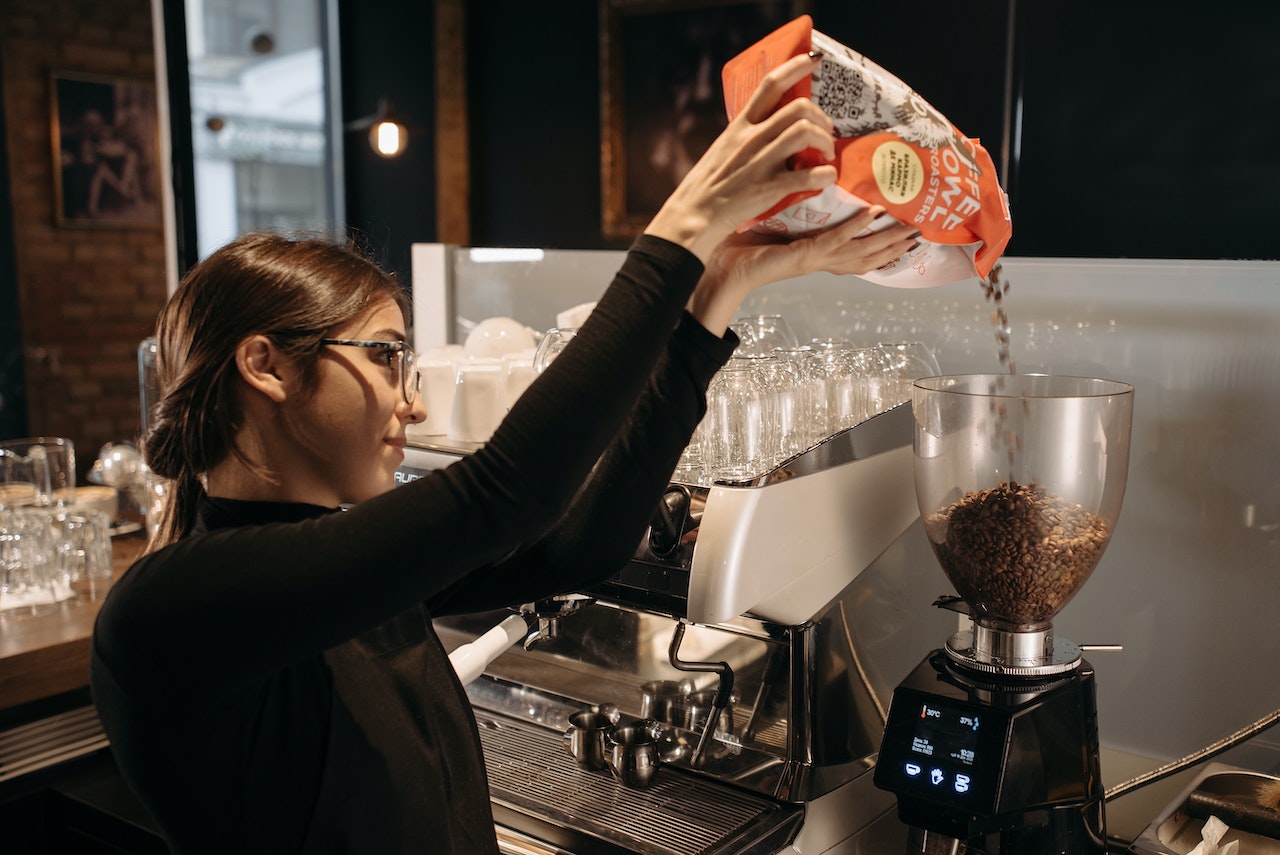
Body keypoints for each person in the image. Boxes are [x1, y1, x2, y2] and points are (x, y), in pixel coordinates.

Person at [90, 53, 922, 854]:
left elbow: (577, 546)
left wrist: (715, 296)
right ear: (266, 365)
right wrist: (682, 229)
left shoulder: (344, 566)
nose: (411, 401)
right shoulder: (174, 609)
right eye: (385, 356)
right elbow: (508, 491)